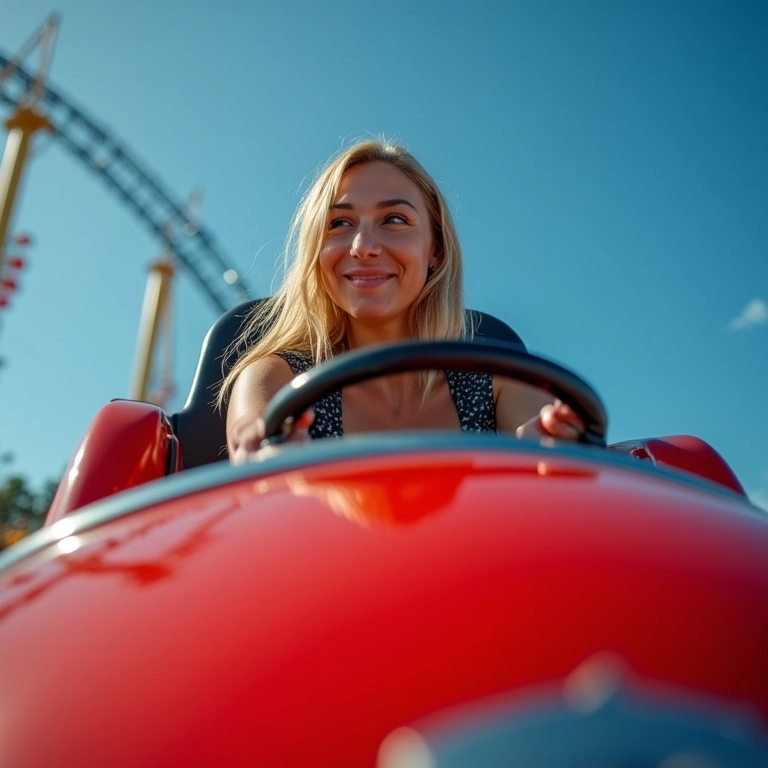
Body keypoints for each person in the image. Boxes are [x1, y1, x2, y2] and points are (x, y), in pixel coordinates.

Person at [219, 139, 583, 463]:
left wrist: (549, 448)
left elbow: (543, 449)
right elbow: (253, 441)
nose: (363, 247)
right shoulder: (276, 379)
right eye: (339, 224)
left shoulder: (498, 379)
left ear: (436, 250)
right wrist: (261, 449)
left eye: (394, 219)